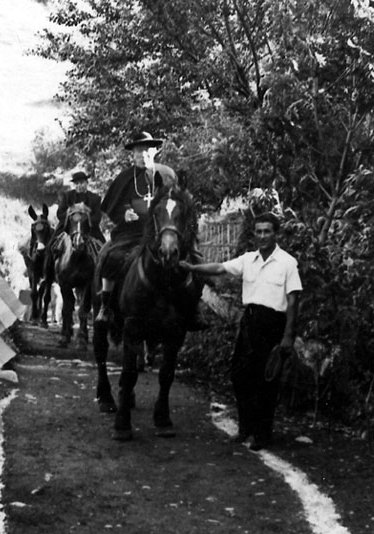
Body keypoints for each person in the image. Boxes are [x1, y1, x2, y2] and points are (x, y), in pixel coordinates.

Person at [180, 212, 302, 450]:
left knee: (266, 381)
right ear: (254, 234)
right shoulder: (248, 259)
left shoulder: (288, 263)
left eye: (267, 231)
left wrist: (288, 335)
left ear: (275, 234)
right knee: (239, 375)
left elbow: (293, 300)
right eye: (259, 231)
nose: (263, 235)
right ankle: (245, 427)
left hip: (273, 324)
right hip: (249, 322)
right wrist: (192, 267)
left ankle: (262, 435)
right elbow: (220, 267)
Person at [95, 131, 177, 323]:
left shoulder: (167, 175)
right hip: (130, 233)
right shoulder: (124, 178)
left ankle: (188, 309)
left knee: (185, 260)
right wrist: (123, 214)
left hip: (161, 233)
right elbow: (112, 206)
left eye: (147, 150)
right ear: (132, 155)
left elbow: (177, 202)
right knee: (111, 258)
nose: (143, 155)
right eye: (139, 152)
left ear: (155, 151)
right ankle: (105, 306)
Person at [55, 171, 104, 242]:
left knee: (104, 247)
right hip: (68, 229)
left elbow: (97, 217)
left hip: (90, 230)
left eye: (81, 183)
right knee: (51, 244)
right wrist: (71, 210)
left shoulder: (95, 198)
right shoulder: (67, 196)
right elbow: (60, 214)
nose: (79, 186)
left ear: (87, 183)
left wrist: (86, 211)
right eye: (76, 183)